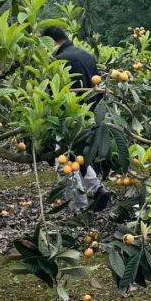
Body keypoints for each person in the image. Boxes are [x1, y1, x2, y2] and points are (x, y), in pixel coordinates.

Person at [40, 25, 109, 210]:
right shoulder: (87, 55)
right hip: (90, 115)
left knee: (64, 162)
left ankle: (79, 206)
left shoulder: (59, 60)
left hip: (68, 118)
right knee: (79, 156)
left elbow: (52, 93)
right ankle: (97, 189)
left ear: (52, 41)